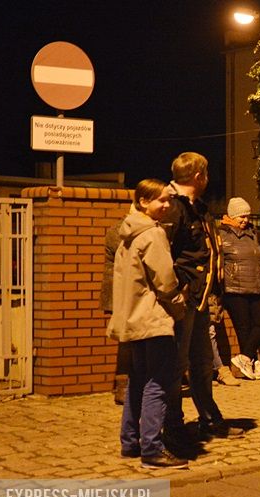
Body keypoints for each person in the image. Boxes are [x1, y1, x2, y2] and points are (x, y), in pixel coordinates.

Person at [106, 179, 188, 469]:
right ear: (143, 202)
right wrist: (179, 305)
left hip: (133, 318)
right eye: (160, 200)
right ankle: (152, 448)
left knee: (138, 380)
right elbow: (165, 281)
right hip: (154, 318)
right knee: (158, 383)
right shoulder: (153, 235)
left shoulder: (126, 233)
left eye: (168, 200)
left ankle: (130, 441)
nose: (166, 205)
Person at [163, 151, 243, 448]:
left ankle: (209, 420)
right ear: (199, 176)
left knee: (202, 362)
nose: (208, 179)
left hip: (200, 299)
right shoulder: (174, 208)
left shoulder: (197, 208)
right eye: (206, 174)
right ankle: (173, 427)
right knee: (177, 365)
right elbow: (166, 256)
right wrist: (179, 289)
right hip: (184, 301)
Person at [218, 197, 260, 381]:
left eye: (247, 216)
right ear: (231, 216)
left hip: (256, 286)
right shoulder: (221, 234)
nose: (245, 220)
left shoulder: (254, 234)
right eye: (241, 216)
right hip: (234, 289)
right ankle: (252, 363)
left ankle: (244, 359)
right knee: (243, 328)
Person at [100, 210, 131, 405]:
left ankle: (125, 385)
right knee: (126, 340)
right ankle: (123, 386)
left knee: (126, 340)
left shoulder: (118, 228)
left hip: (119, 291)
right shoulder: (122, 231)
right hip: (121, 291)